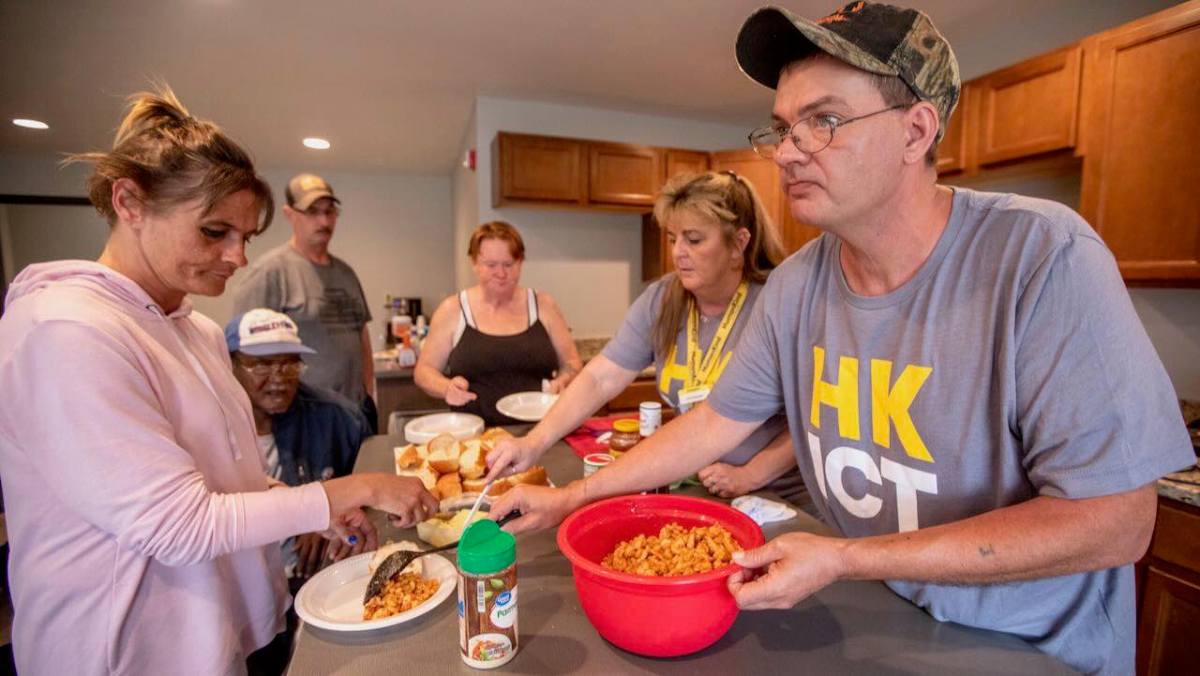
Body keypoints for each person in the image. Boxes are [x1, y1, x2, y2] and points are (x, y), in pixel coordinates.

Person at [491, 4, 1196, 675]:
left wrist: (848, 558)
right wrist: (570, 500)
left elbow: (1116, 522)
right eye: (783, 128)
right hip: (877, 619)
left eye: (823, 121)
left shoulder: (1042, 257)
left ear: (917, 132)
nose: (790, 152)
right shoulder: (798, 285)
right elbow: (712, 423)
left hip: (1026, 648)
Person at [0, 87, 439, 675]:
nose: (236, 257)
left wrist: (303, 507)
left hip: (218, 629)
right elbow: (176, 523)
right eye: (214, 232)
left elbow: (225, 477)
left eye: (245, 238)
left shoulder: (197, 332)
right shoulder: (66, 329)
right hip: (126, 649)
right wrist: (349, 491)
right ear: (128, 201)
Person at [488, 172, 809, 508]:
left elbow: (812, 414)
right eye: (673, 239)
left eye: (694, 240)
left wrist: (753, 474)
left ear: (739, 243)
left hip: (777, 495)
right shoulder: (663, 298)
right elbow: (601, 378)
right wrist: (534, 442)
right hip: (705, 484)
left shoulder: (775, 302)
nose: (678, 252)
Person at [226, 308, 372, 582]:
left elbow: (371, 487)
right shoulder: (207, 430)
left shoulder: (340, 418)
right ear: (229, 366)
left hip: (320, 579)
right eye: (262, 364)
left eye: (290, 364)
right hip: (242, 583)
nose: (279, 376)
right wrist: (305, 514)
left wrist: (328, 515)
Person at [232, 172, 378, 432]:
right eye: (312, 211)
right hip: (302, 420)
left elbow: (362, 337)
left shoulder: (346, 273)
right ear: (290, 214)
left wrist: (369, 393)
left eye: (329, 211)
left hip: (356, 413)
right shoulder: (271, 272)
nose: (323, 221)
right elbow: (244, 357)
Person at [414, 221, 582, 424]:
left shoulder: (544, 306)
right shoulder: (452, 310)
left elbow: (572, 363)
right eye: (491, 265)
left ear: (520, 263)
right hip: (476, 434)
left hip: (540, 432)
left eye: (509, 264)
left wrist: (564, 380)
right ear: (475, 263)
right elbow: (424, 371)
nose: (501, 274)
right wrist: (445, 387)